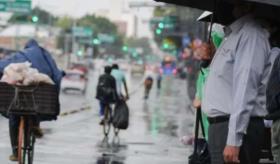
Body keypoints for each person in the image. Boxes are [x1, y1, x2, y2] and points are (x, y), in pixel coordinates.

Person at [202, 2, 273, 164]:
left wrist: (234, 140)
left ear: (247, 5)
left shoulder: (251, 35)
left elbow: (245, 87)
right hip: (221, 128)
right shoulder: (233, 35)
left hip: (234, 130)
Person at [0, 39, 64, 161]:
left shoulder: (21, 55)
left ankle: (15, 151)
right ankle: (35, 126)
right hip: (36, 96)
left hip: (19, 97)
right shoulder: (45, 55)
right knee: (36, 108)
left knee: (14, 116)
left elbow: (4, 65)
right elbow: (56, 73)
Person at [193, 23, 224, 141]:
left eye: (211, 42)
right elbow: (197, 99)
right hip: (207, 123)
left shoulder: (219, 66)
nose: (206, 46)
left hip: (217, 123)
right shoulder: (204, 68)